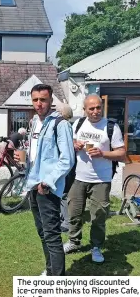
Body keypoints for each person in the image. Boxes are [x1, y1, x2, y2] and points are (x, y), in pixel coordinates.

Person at [15, 84, 75, 276]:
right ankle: (50, 270)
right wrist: (23, 160)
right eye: (35, 100)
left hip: (46, 186)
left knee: (51, 234)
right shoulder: (34, 122)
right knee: (42, 232)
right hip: (33, 182)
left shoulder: (60, 124)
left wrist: (47, 182)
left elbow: (67, 159)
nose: (39, 104)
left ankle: (57, 279)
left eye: (43, 99)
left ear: (51, 101)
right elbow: (36, 154)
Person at [63, 94, 126, 263]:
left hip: (101, 180)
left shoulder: (111, 127)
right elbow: (71, 143)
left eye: (98, 107)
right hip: (79, 177)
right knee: (74, 213)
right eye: (91, 108)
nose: (96, 111)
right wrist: (75, 145)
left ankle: (96, 247)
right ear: (85, 110)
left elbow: (121, 153)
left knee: (98, 216)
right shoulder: (78, 124)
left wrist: (103, 153)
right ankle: (74, 241)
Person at [55, 103, 74, 233]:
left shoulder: (65, 125)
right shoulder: (66, 124)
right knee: (61, 194)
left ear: (63, 113)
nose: (55, 112)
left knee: (64, 195)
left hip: (66, 167)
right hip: (65, 166)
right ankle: (63, 219)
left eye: (57, 111)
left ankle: (66, 223)